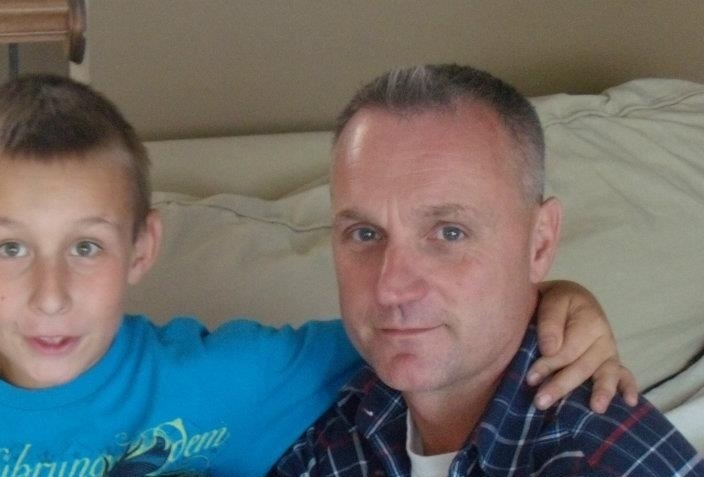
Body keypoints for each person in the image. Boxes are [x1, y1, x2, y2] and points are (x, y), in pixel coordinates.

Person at [0, 73, 634, 477]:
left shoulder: (238, 376)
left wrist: (554, 298)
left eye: (85, 247)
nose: (50, 296)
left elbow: (416, 332)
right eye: (11, 249)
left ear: (141, 249)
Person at [271, 64, 703, 476]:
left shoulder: (598, 459)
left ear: (540, 243)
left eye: (450, 233)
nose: (391, 289)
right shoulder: (343, 416)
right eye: (365, 234)